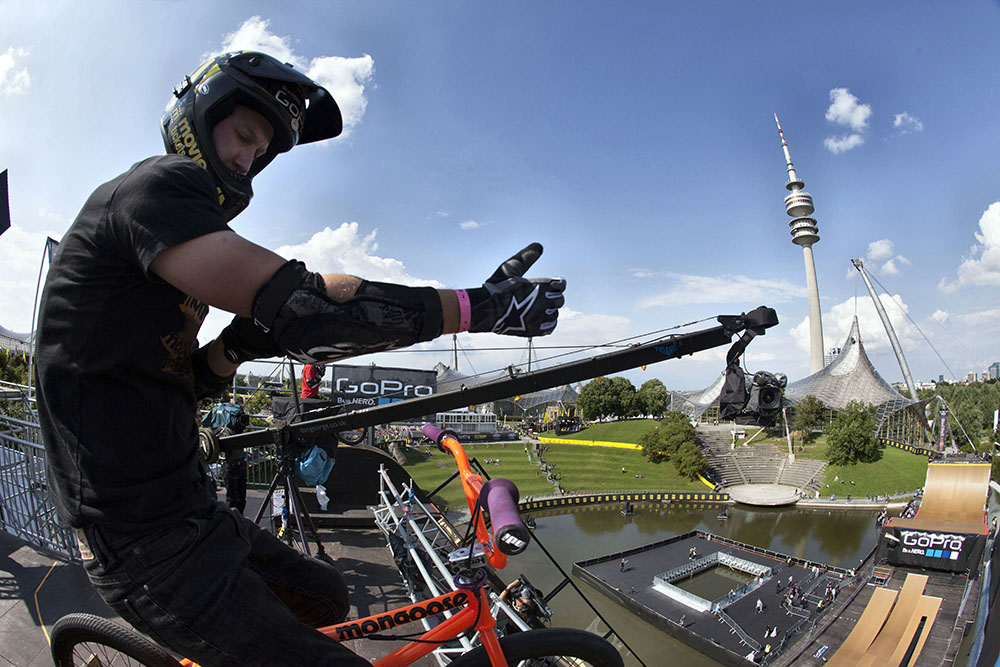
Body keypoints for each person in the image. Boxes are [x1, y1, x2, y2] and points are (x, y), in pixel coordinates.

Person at [34, 50, 566, 667]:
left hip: (190, 511)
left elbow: (183, 383)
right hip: (139, 540)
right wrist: (474, 308)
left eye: (259, 151)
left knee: (326, 597)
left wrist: (239, 346)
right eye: (241, 136)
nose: (245, 159)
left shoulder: (168, 257)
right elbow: (312, 309)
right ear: (198, 119)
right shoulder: (157, 188)